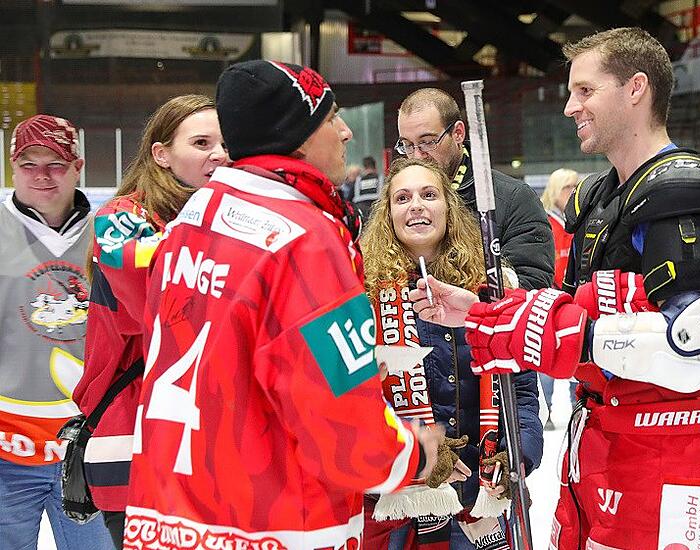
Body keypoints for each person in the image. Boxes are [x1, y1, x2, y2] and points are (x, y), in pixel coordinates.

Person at [409, 28, 700, 549]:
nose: (570, 107)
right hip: (597, 445)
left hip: (665, 456)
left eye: (585, 91)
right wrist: (483, 313)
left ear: (636, 88)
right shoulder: (599, 196)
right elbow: (567, 309)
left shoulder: (683, 190)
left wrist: (555, 335)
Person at [123, 60, 441, 548]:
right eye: (331, 117)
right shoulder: (304, 239)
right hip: (275, 524)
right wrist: (410, 453)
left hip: (171, 516)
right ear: (297, 136)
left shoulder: (193, 216)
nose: (344, 132)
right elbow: (339, 418)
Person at [361, 157, 543, 549]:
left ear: (449, 206)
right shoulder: (363, 295)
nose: (416, 206)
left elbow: (523, 394)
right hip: (401, 507)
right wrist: (419, 452)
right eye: (402, 198)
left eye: (429, 195)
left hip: (484, 501)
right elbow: (352, 404)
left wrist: (519, 456)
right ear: (388, 214)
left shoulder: (496, 288)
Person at [71, 95, 227, 549]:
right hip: (135, 434)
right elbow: (161, 310)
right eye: (201, 142)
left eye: (225, 143)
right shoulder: (122, 219)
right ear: (161, 154)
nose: (219, 154)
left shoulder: (224, 216)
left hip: (211, 439)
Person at [0, 115, 114, 549]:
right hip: (7, 449)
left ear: (78, 166)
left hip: (89, 443)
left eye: (56, 164)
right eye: (30, 164)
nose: (42, 175)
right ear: (13, 167)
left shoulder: (109, 231)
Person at [396, 88, 554, 290]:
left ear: (458, 133)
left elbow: (532, 283)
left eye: (427, 142)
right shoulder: (396, 202)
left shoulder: (512, 198)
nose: (417, 156)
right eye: (407, 145)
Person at [538, 168, 579, 429]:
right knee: (547, 357)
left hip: (577, 300)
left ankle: (580, 406)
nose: (574, 191)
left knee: (579, 355)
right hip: (551, 300)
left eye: (577, 186)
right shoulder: (545, 223)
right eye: (568, 187)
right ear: (555, 191)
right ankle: (548, 410)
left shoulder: (579, 221)